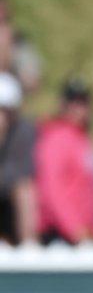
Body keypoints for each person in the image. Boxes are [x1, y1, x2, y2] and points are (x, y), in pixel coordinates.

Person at [35, 78, 93, 244]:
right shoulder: (56, 137)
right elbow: (51, 189)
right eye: (73, 102)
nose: (78, 109)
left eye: (83, 103)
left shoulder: (84, 138)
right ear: (62, 104)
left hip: (86, 234)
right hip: (62, 234)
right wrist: (75, 229)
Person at [0, 72, 37, 245]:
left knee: (24, 191)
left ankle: (30, 249)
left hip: (9, 200)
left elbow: (19, 177)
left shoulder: (23, 132)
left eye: (6, 112)